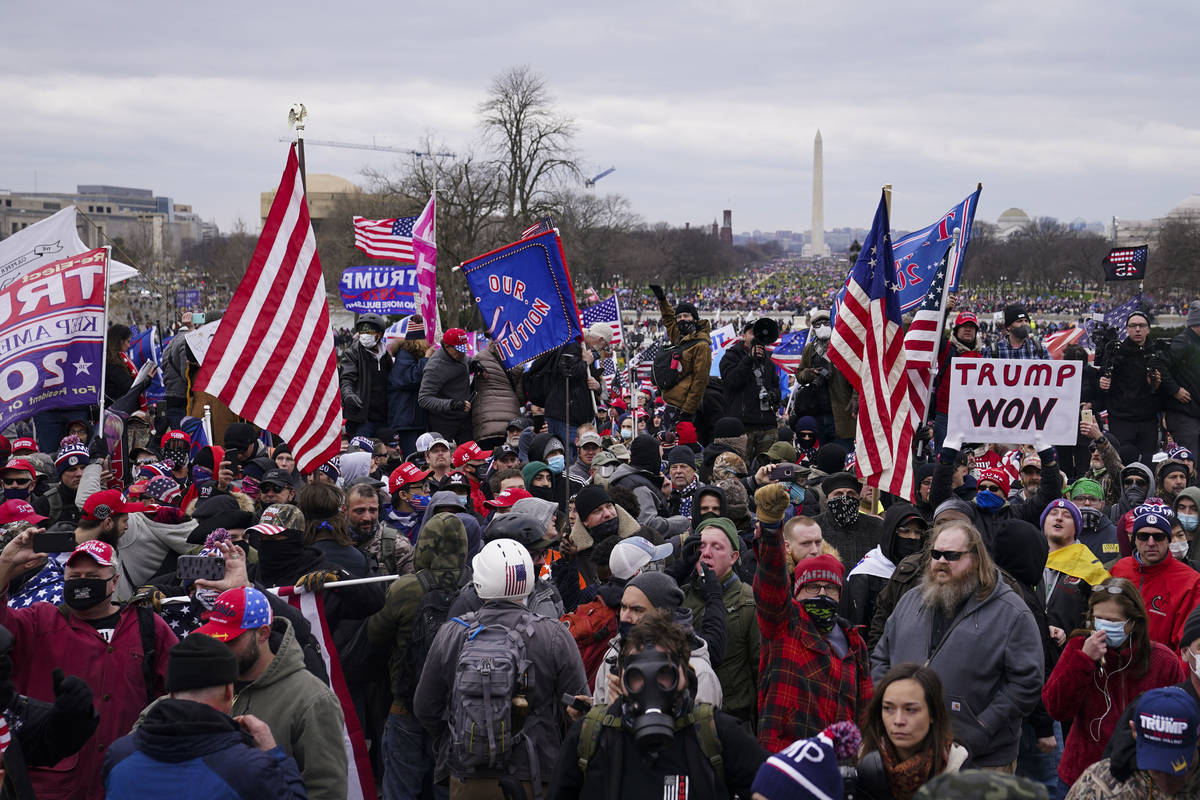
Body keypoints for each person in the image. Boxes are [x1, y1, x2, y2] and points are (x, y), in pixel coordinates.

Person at [0, 537, 176, 800]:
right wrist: (4, 565)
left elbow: (178, 693)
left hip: (125, 780)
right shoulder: (38, 621)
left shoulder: (148, 626)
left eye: (92, 575)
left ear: (114, 582)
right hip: (52, 786)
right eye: (75, 576)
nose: (82, 581)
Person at [414, 538, 588, 799]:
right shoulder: (553, 634)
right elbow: (578, 708)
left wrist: (462, 731)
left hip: (468, 773)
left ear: (480, 581)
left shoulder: (452, 632)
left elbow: (425, 707)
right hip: (535, 773)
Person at [872, 520, 1044, 770]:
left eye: (952, 555)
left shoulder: (1011, 612)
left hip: (980, 761)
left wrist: (980, 729)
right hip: (907, 756)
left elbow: (1027, 683)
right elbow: (880, 658)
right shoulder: (910, 601)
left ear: (975, 559)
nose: (942, 561)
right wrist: (886, 707)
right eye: (936, 554)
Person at [548, 611, 767, 800]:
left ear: (687, 676)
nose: (651, 686)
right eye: (638, 675)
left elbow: (776, 788)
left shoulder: (716, 733)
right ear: (621, 677)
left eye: (664, 673)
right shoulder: (591, 737)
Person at [102, 633, 307, 799]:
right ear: (229, 692)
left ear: (171, 694)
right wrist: (274, 754)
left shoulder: (119, 755)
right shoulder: (247, 769)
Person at [197, 587, 348, 799]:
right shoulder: (206, 683)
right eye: (216, 637)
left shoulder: (312, 699)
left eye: (231, 640)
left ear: (262, 634)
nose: (222, 647)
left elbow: (326, 791)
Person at [754, 483, 873, 753]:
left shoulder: (854, 642)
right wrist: (771, 528)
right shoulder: (785, 623)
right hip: (787, 757)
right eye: (812, 587)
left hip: (839, 763)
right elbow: (771, 584)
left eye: (829, 588)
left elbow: (866, 709)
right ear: (797, 590)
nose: (821, 593)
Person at [1043, 577, 1185, 791]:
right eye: (1099, 619)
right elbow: (1056, 708)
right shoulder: (1078, 648)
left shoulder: (1162, 661)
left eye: (1112, 621)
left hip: (1140, 777)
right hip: (1081, 774)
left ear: (1132, 622)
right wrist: (1084, 661)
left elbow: (1181, 717)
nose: (1104, 628)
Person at [368, 512, 469, 800]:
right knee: (447, 790)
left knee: (400, 789)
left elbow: (374, 635)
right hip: (456, 710)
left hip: (406, 706)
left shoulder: (405, 587)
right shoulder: (475, 586)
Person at [681, 516, 759, 726]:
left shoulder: (748, 601)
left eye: (717, 547)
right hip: (685, 717)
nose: (706, 553)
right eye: (701, 546)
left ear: (733, 557)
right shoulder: (682, 595)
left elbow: (759, 669)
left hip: (732, 718)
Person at [855, 663, 970, 799]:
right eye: (888, 708)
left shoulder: (961, 771)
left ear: (933, 713)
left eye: (910, 710)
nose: (898, 720)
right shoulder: (864, 762)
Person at [1067, 687, 1200, 799]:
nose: (1166, 782)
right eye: (1156, 769)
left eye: (1177, 768)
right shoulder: (1098, 785)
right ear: (1134, 731)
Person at [1110, 503, 1200, 650]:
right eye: (1143, 536)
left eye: (1158, 537)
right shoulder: (1119, 569)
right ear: (1135, 540)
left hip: (1160, 669)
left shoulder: (1190, 581)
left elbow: (1187, 645)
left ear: (1168, 540)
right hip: (1117, 665)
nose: (1151, 543)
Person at [842, 504, 929, 632]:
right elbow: (856, 624)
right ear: (891, 533)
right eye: (905, 531)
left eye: (917, 532)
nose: (913, 537)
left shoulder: (925, 570)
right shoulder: (865, 573)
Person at [1042, 499, 1112, 645]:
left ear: (1076, 528)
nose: (1059, 517)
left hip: (1068, 654)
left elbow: (1102, 621)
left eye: (1067, 515)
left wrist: (1070, 637)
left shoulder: (1091, 568)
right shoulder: (1029, 559)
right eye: (1053, 513)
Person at [1100, 311, 1162, 463]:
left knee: (1148, 463)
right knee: (1123, 462)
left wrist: (1158, 385)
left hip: (1148, 419)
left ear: (1148, 329)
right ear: (1127, 329)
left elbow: (1165, 390)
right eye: (1133, 326)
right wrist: (1102, 383)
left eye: (1141, 326)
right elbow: (1103, 381)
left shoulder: (1157, 352)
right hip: (1121, 419)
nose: (1138, 329)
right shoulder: (1115, 351)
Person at [544, 323, 610, 460]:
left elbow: (588, 383)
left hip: (577, 418)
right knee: (567, 459)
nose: (604, 349)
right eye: (605, 345)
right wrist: (585, 363)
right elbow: (566, 373)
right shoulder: (573, 345)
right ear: (600, 339)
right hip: (565, 416)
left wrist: (597, 387)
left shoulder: (588, 352)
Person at [648, 285, 711, 426]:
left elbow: (699, 381)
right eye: (680, 317)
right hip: (670, 402)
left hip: (683, 408)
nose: (682, 319)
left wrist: (687, 411)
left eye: (686, 316)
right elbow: (669, 319)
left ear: (694, 319)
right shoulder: (679, 337)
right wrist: (662, 299)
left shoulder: (701, 345)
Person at [792, 309, 855, 448]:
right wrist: (809, 373)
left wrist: (855, 398)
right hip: (817, 411)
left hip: (841, 411)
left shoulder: (843, 346)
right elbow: (799, 374)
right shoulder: (810, 349)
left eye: (825, 322)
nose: (822, 327)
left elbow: (856, 375)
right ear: (813, 328)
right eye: (818, 324)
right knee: (821, 454)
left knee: (843, 452)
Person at [720, 320, 782, 459]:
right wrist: (749, 359)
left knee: (768, 468)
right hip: (742, 425)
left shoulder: (769, 362)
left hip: (766, 424)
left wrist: (773, 395)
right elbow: (732, 382)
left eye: (759, 334)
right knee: (741, 467)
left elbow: (777, 389)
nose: (756, 337)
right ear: (744, 336)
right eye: (752, 333)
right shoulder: (731, 356)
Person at [931, 310, 983, 450]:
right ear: (956, 329)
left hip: (973, 416)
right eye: (964, 326)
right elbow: (935, 332)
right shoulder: (946, 349)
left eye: (972, 327)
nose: (968, 329)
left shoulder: (983, 355)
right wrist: (945, 311)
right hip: (945, 415)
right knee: (943, 459)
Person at [812, 471, 883, 570]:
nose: (845, 498)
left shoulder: (876, 526)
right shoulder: (813, 527)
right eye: (838, 494)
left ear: (858, 498)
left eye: (850, 493)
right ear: (828, 499)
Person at [340, 312, 394, 437]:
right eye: (362, 332)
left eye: (369, 332)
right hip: (362, 418)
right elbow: (346, 379)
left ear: (379, 335)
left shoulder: (386, 356)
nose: (364, 335)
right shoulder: (352, 353)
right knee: (361, 453)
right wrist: (348, 395)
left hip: (384, 418)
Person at [388, 315, 435, 457]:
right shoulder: (404, 355)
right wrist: (426, 359)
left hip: (416, 419)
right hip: (407, 420)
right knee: (413, 457)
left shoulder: (412, 356)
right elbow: (409, 379)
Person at [418, 328, 474, 444]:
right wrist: (451, 404)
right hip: (443, 421)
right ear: (447, 347)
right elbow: (424, 399)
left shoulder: (460, 356)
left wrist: (474, 364)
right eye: (458, 350)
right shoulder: (434, 367)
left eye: (464, 350)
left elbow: (465, 360)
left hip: (464, 418)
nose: (462, 353)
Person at [1161, 301, 1200, 459]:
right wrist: (1175, 390)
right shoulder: (1183, 341)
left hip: (1193, 413)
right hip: (1184, 415)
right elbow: (1160, 365)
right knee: (1189, 462)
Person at [984, 304, 1049, 359]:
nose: (1024, 324)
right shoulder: (993, 351)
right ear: (1009, 327)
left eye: (1026, 321)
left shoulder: (1040, 350)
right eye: (1019, 321)